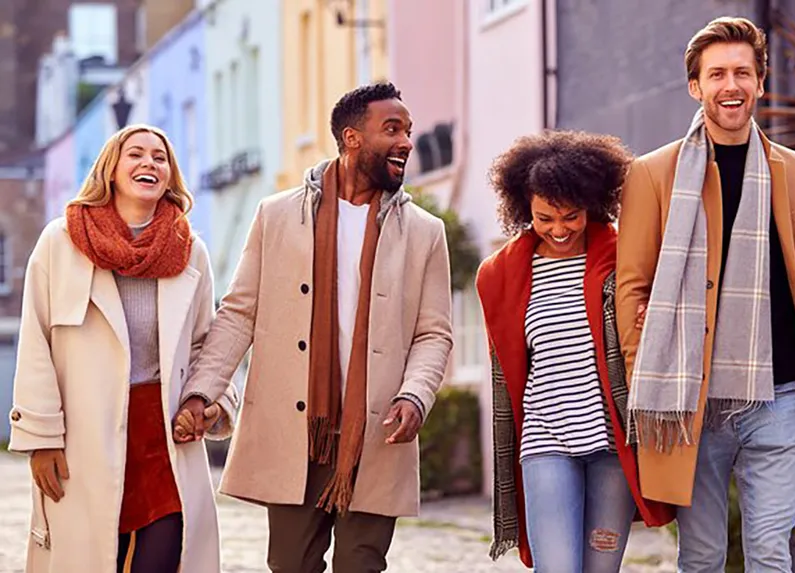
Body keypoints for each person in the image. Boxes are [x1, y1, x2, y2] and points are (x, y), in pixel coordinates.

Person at [174, 81, 453, 573]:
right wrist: (203, 390)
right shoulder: (276, 215)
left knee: (361, 565)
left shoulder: (426, 233)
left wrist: (415, 395)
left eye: (408, 131)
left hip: (374, 433)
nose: (407, 142)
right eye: (392, 129)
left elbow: (434, 333)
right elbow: (239, 313)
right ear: (352, 138)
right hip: (295, 431)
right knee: (290, 564)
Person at [616, 17, 795, 573]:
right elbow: (632, 284)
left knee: (771, 554)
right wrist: (641, 370)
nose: (731, 85)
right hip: (692, 403)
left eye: (743, 72)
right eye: (716, 73)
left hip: (782, 395)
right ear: (696, 86)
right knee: (701, 557)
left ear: (761, 82)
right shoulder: (653, 174)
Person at [7, 124, 238, 573]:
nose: (148, 163)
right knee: (91, 559)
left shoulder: (190, 252)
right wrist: (41, 439)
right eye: (136, 154)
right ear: (111, 169)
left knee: (165, 557)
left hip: (165, 441)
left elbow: (207, 345)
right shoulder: (61, 242)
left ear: (170, 177)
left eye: (160, 157)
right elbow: (37, 343)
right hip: (83, 439)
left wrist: (209, 403)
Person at [478, 130, 673, 572]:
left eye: (571, 216)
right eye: (545, 218)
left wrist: (649, 316)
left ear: (593, 203)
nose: (559, 229)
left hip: (611, 446)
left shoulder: (626, 259)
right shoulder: (502, 275)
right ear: (523, 207)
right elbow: (508, 368)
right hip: (545, 442)